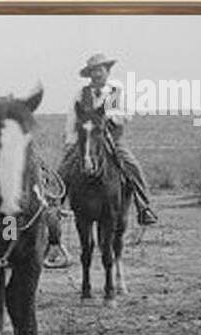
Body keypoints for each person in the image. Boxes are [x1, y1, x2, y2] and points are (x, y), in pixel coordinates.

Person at [61, 53, 158, 226]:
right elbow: (72, 118)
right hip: (86, 139)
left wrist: (111, 117)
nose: (97, 74)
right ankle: (56, 207)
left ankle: (144, 206)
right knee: (64, 168)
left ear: (107, 71)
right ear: (89, 74)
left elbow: (127, 113)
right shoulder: (81, 93)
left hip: (112, 139)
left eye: (101, 70)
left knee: (132, 165)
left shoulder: (115, 91)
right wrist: (70, 141)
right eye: (94, 71)